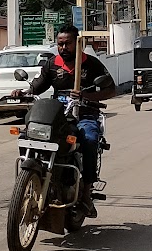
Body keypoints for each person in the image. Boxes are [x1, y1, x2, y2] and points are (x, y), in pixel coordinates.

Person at [26, 25, 116, 218]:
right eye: (60, 44)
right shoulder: (52, 64)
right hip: (59, 116)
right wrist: (24, 92)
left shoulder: (91, 64)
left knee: (90, 139)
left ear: (78, 43)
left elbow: (111, 89)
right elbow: (37, 86)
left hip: (85, 115)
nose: (63, 48)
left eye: (67, 44)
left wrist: (86, 95)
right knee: (30, 134)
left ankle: (85, 193)